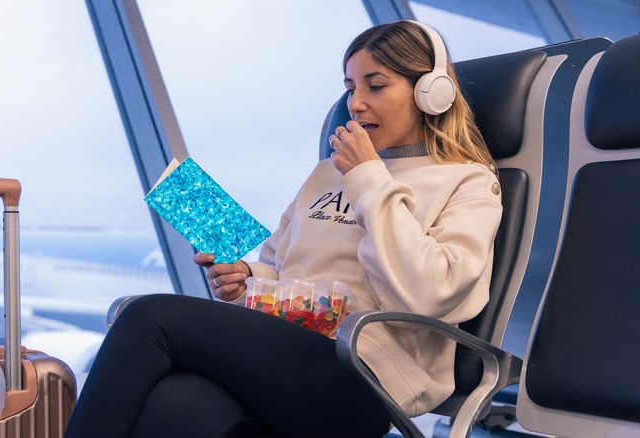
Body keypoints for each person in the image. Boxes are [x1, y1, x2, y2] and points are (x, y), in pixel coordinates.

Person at [65, 20, 501, 437]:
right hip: (290, 354)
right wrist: (248, 278)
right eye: (350, 88)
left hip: (363, 377)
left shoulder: (466, 181)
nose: (356, 102)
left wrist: (370, 180)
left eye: (376, 84)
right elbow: (280, 265)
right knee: (175, 403)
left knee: (149, 316)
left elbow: (431, 292)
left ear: (430, 93)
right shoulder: (327, 174)